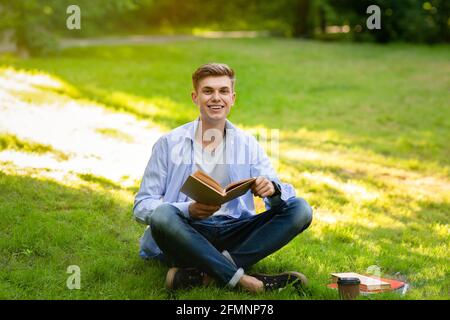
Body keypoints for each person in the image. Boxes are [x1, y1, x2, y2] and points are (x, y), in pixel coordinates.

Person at [133, 63, 313, 293]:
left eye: (223, 91)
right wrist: (188, 210)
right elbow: (142, 205)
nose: (216, 98)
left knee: (300, 209)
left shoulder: (248, 144)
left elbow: (278, 201)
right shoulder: (168, 143)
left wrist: (272, 189)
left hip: (234, 230)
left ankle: (206, 274)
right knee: (162, 214)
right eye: (208, 91)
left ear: (233, 98)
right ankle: (243, 279)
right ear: (195, 97)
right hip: (186, 232)